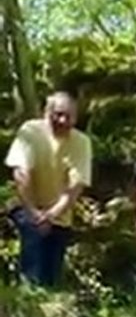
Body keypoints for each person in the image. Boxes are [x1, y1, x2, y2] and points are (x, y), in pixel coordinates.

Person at [4, 91, 92, 287]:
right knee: (32, 267)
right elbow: (21, 173)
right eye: (58, 114)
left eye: (68, 116)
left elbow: (75, 186)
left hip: (59, 215)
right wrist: (35, 213)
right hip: (27, 207)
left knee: (51, 277)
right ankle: (28, 304)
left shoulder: (81, 142)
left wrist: (51, 214)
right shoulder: (30, 132)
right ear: (46, 112)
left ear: (76, 118)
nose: (62, 120)